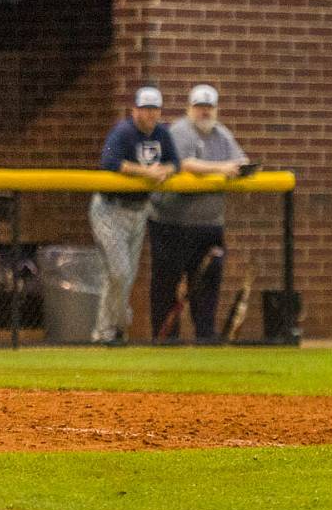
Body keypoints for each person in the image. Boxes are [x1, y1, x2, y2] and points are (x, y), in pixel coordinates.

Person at [150, 84, 250, 343]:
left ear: (215, 109)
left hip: (209, 224)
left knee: (207, 282)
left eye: (209, 107)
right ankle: (165, 338)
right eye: (199, 107)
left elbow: (240, 161)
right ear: (189, 108)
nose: (204, 112)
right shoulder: (179, 130)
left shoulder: (222, 133)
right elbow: (185, 164)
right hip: (172, 223)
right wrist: (222, 168)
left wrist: (241, 168)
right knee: (167, 282)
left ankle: (205, 335)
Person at [92, 85, 180, 346]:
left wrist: (164, 170)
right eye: (144, 109)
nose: (149, 115)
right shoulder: (123, 131)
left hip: (138, 211)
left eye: (154, 109)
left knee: (123, 276)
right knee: (119, 272)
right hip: (110, 209)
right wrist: (147, 172)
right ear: (135, 111)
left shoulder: (162, 134)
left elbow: (175, 163)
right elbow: (109, 163)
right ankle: (117, 324)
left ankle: (108, 333)